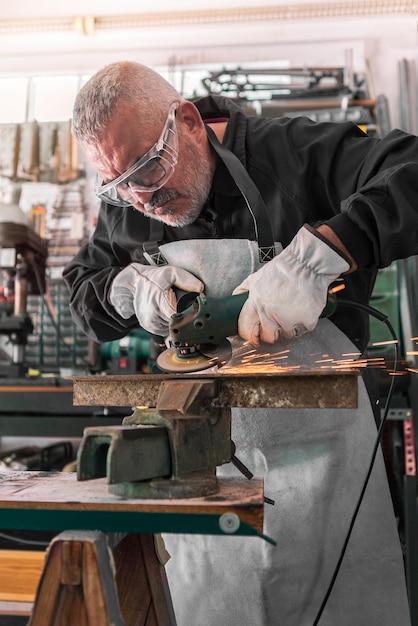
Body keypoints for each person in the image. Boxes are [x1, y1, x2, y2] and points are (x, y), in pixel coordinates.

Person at [63, 61, 416, 625]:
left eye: (150, 168)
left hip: (325, 464)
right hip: (203, 470)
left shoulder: (295, 153)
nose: (141, 197)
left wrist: (327, 250)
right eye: (117, 183)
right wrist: (128, 289)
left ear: (188, 121)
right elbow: (81, 289)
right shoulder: (127, 203)